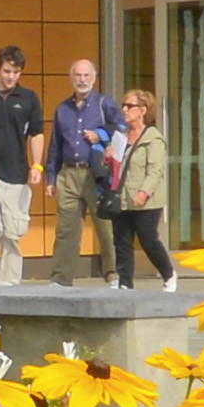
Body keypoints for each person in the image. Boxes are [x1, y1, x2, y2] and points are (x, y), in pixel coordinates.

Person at [50, 55, 146, 279]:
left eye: (86, 75)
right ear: (71, 78)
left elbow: (123, 127)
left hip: (97, 174)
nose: (82, 80)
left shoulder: (105, 104)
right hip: (68, 173)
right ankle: (60, 279)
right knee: (66, 230)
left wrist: (100, 135)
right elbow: (55, 144)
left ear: (94, 78)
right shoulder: (62, 108)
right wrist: (51, 177)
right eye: (78, 75)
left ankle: (114, 275)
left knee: (106, 227)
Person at [0, 45, 47, 283]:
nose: (10, 76)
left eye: (15, 72)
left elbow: (37, 133)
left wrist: (37, 165)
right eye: (6, 71)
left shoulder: (29, 98)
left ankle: (9, 286)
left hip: (17, 174)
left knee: (13, 233)